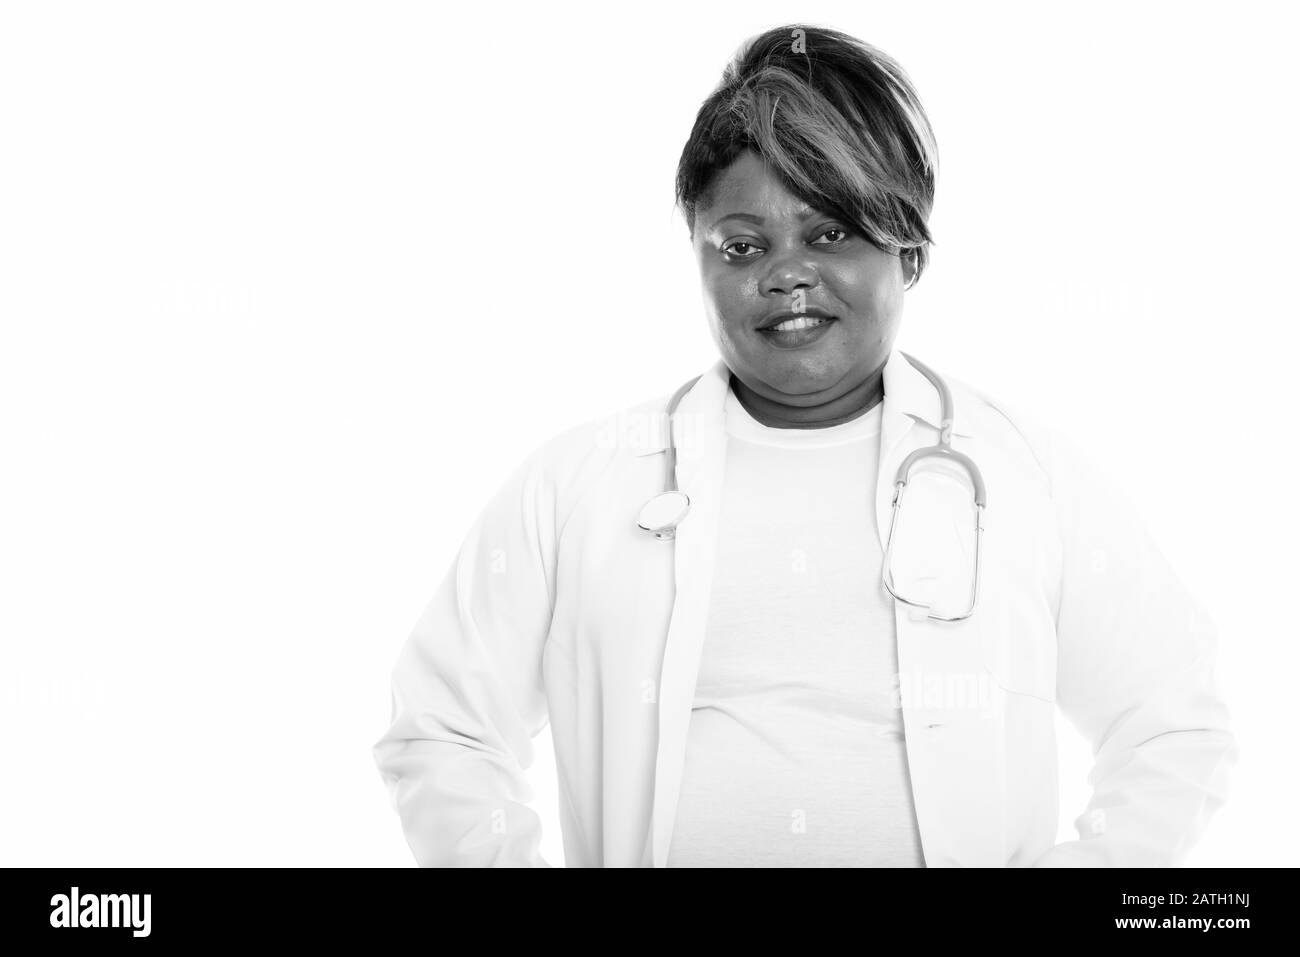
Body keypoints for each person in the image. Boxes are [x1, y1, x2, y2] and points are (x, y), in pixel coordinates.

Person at [371, 23, 1236, 867]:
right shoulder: (579, 483)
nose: (786, 273)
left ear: (910, 251)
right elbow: (442, 728)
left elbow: (1174, 727)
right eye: (742, 244)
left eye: (830, 233)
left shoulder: (1030, 477)